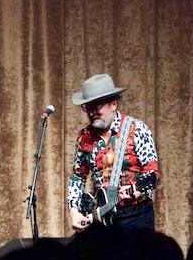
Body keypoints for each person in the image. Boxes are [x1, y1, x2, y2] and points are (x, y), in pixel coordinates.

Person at [67, 74, 160, 232]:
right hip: (102, 219)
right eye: (87, 107)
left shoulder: (136, 129)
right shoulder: (84, 136)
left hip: (135, 217)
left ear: (114, 104)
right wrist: (73, 210)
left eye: (96, 106)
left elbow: (152, 173)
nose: (91, 113)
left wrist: (136, 191)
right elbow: (77, 175)